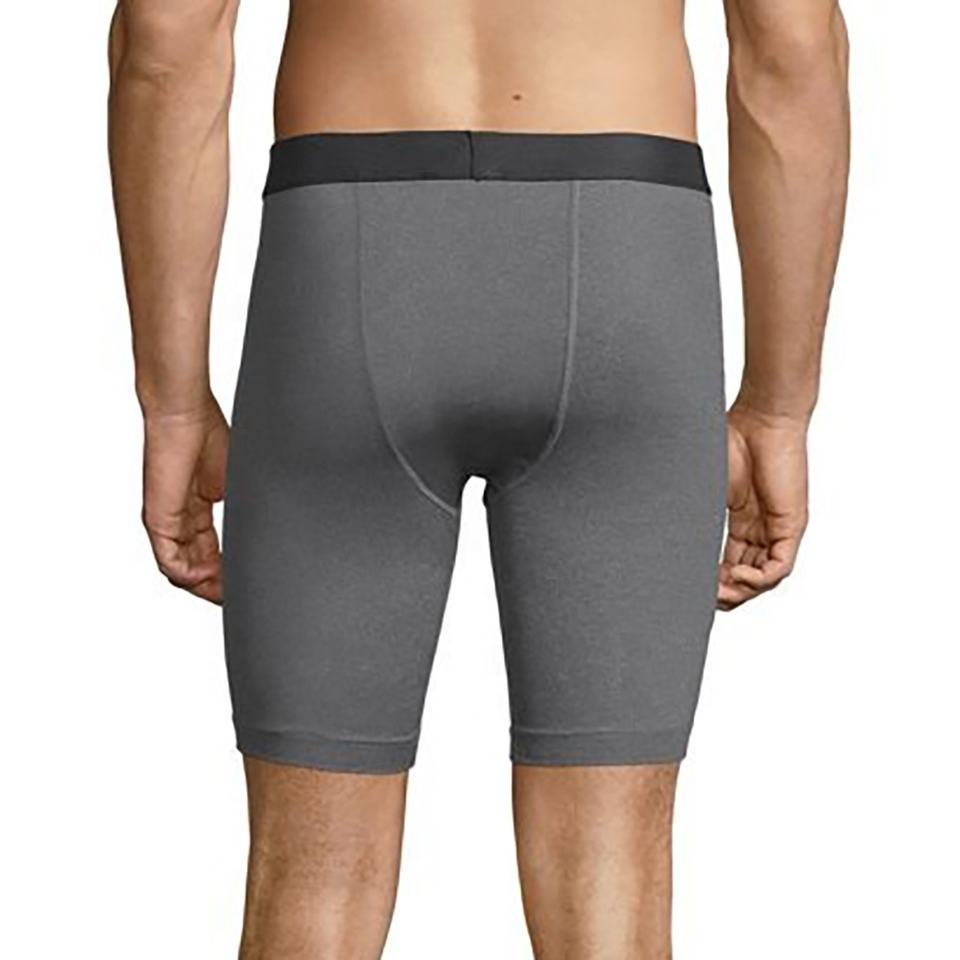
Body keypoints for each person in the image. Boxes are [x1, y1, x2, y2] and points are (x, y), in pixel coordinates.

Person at [108, 0, 849, 956]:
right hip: (629, 257)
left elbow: (166, 39)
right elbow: (792, 46)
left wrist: (173, 402)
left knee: (311, 880)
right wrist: (778, 405)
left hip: (343, 259)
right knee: (610, 882)